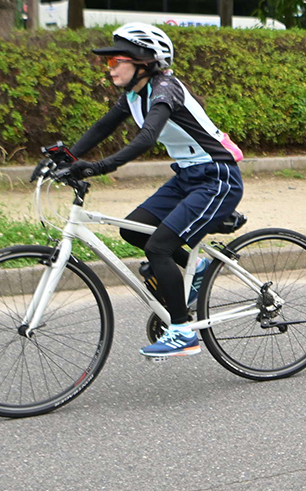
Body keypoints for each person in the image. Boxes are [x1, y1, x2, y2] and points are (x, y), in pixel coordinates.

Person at [63, 23, 243, 359]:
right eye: (109, 62)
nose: (111, 67)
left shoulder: (165, 88)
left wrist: (99, 167)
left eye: (118, 60)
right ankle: (198, 270)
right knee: (133, 229)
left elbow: (146, 137)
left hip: (218, 176)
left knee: (159, 247)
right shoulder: (134, 94)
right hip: (188, 175)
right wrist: (66, 156)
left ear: (144, 62)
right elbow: (103, 127)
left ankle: (182, 332)